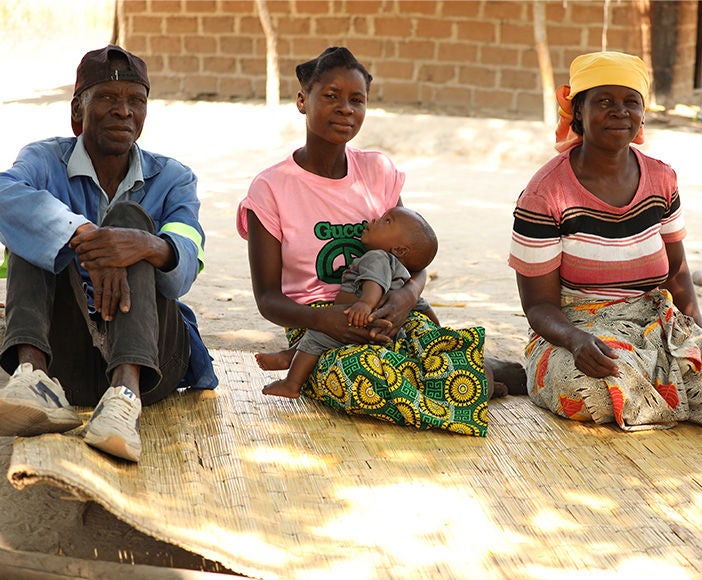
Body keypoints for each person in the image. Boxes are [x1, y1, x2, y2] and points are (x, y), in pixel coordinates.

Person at [237, 47, 523, 438]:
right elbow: (268, 299)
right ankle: (476, 376)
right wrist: (324, 320)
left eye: (357, 100)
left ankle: (464, 373)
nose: (345, 109)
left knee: (419, 348)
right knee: (364, 378)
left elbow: (413, 253)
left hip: (391, 306)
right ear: (302, 101)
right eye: (331, 96)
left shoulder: (377, 170)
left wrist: (406, 297)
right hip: (314, 324)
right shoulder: (270, 188)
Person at [509, 51, 702, 431]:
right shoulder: (545, 195)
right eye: (603, 101)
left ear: (642, 114)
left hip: (657, 326)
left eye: (630, 102)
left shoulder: (661, 180)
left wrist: (699, 341)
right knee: (587, 392)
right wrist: (575, 341)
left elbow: (677, 273)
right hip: (578, 330)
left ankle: (665, 393)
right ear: (578, 112)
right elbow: (538, 305)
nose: (619, 112)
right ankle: (672, 394)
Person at [0, 45, 217, 462]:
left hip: (155, 361)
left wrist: (145, 244)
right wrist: (80, 233)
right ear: (77, 112)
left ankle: (123, 399)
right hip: (65, 358)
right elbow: (5, 195)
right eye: (108, 99)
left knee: (130, 218)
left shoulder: (173, 178)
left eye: (136, 101)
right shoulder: (43, 160)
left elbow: (185, 264)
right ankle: (33, 380)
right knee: (32, 220)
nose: (124, 112)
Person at [258, 205, 440, 399]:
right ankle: (290, 355)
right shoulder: (401, 276)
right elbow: (422, 304)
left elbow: (374, 281)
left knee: (316, 336)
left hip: (357, 321)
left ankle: (291, 383)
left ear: (399, 249)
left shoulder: (375, 257)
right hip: (386, 331)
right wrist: (437, 328)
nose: (375, 220)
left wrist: (365, 304)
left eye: (387, 221)